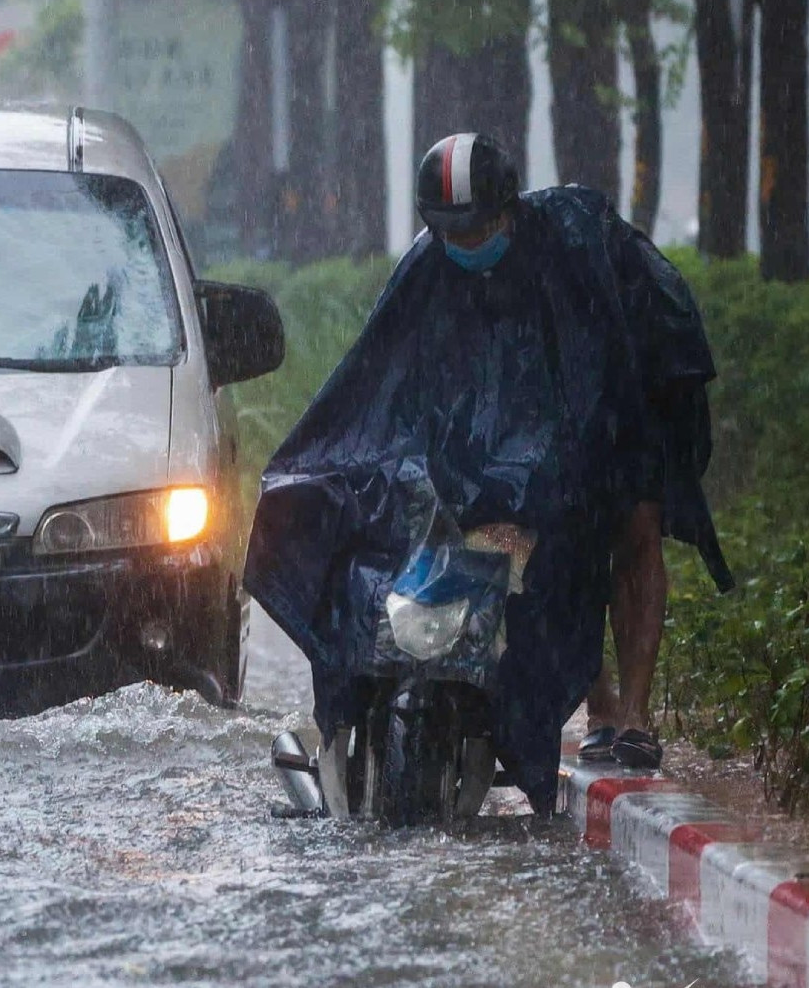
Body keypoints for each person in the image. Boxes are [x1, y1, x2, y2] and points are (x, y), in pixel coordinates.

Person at [244, 133, 732, 812]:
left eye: (475, 229)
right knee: (533, 552)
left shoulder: (578, 240)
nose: (464, 243)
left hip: (621, 402)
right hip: (512, 443)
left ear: (508, 211)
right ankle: (595, 707)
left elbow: (643, 325)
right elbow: (376, 383)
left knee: (629, 530)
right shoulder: (429, 266)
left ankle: (634, 717)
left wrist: (609, 428)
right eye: (448, 232)